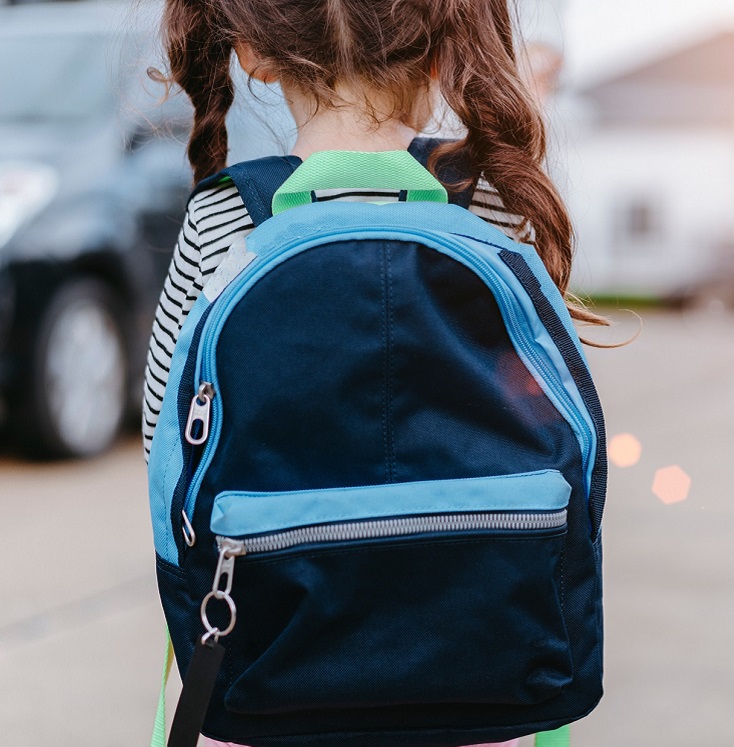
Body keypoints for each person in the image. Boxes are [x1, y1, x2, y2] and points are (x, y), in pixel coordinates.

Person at [141, 1, 603, 744]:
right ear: (442, 50)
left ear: (253, 51)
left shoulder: (224, 221)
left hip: (269, 675)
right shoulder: (491, 203)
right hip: (490, 681)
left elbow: (165, 464)